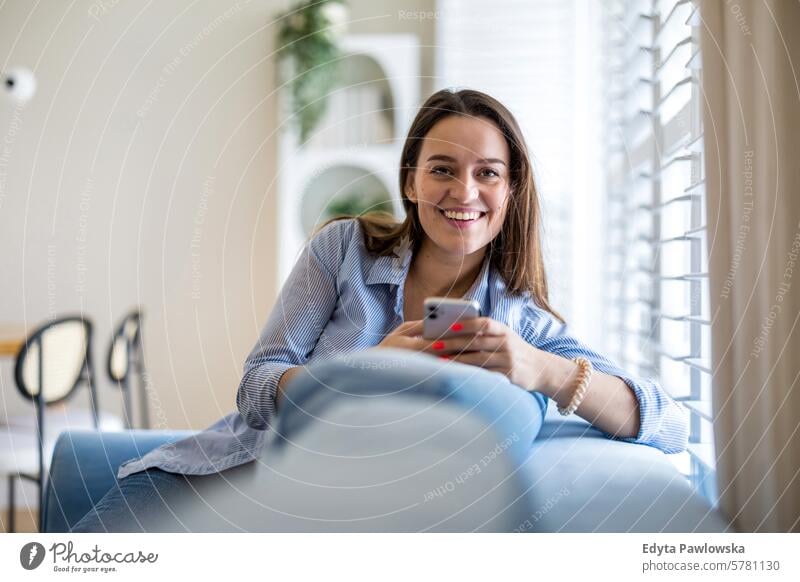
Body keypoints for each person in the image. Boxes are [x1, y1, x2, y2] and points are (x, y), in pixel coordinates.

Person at [71, 88, 688, 532]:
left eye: (488, 174)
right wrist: (363, 369)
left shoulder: (521, 322)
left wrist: (542, 370)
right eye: (442, 169)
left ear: (511, 190)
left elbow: (670, 425)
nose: (464, 192)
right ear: (412, 182)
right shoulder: (344, 251)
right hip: (231, 473)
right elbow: (256, 386)